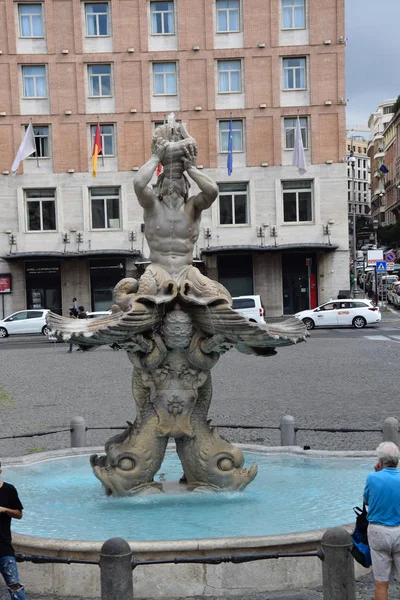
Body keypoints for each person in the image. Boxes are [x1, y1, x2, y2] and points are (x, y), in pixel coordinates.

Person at [363, 441, 400, 600]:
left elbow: (366, 501)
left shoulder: (372, 478)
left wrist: (376, 472)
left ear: (380, 461)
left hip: (378, 531)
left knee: (381, 582)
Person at [0, 461, 27, 599]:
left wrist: (4, 510)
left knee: (14, 584)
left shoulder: (9, 490)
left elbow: (19, 514)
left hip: (3, 545)